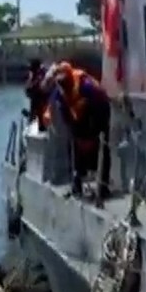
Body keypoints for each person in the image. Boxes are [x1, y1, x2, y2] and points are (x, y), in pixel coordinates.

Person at [46, 62, 112, 199]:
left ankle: (103, 186)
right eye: (60, 84)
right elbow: (65, 114)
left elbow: (101, 109)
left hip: (99, 110)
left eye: (65, 83)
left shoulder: (87, 87)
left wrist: (93, 133)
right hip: (79, 114)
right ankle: (76, 182)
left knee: (102, 147)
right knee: (74, 145)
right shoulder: (59, 92)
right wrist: (76, 134)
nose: (62, 87)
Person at [24, 58, 50, 129]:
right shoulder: (34, 74)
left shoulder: (41, 74)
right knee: (36, 106)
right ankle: (33, 119)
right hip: (37, 97)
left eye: (31, 68)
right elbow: (29, 87)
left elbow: (36, 85)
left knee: (39, 107)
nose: (30, 70)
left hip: (41, 97)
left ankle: (39, 123)